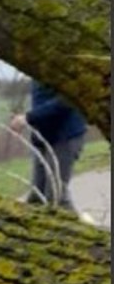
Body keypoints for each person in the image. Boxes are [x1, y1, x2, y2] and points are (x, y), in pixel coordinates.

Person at [10, 79, 89, 212]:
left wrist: (28, 118)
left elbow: (65, 103)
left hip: (65, 137)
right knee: (37, 196)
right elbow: (40, 101)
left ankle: (82, 231)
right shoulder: (36, 68)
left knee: (56, 198)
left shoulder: (60, 66)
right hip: (44, 138)